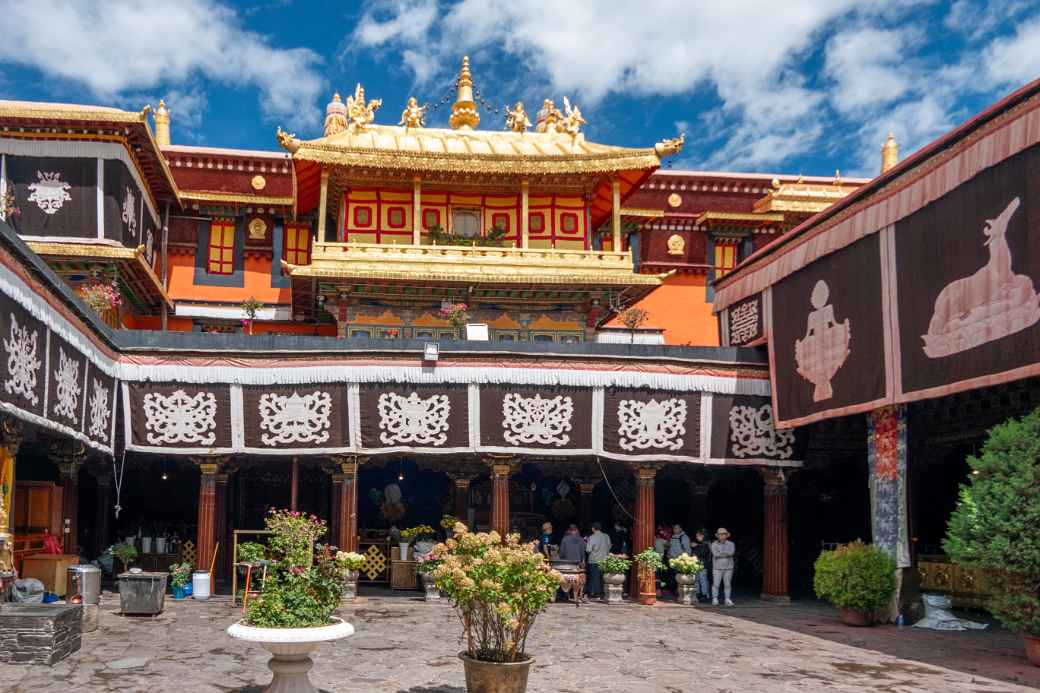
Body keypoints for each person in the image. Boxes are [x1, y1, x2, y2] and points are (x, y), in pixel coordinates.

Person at [585, 522, 611, 599]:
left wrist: (586, 542)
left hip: (594, 560)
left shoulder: (591, 537)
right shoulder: (606, 536)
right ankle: (602, 593)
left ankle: (594, 593)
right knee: (602, 578)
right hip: (604, 560)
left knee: (594, 578)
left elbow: (588, 550)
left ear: (593, 528)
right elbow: (609, 547)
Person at [711, 527, 736, 606]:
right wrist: (725, 553)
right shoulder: (714, 544)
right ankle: (715, 598)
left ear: (726, 535)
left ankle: (727, 599)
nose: (722, 536)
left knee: (727, 584)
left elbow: (731, 553)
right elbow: (715, 554)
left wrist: (721, 553)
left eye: (724, 534)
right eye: (720, 534)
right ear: (717, 536)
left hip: (728, 567)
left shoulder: (731, 544)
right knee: (716, 584)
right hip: (717, 567)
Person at [692, 529, 712, 602]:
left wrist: (696, 547)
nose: (697, 537)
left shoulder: (706, 544)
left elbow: (703, 553)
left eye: (698, 536)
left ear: (702, 536)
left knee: (703, 579)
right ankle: (698, 593)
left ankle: (705, 594)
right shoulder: (698, 544)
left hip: (703, 564)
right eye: (696, 536)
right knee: (697, 579)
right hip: (697, 563)